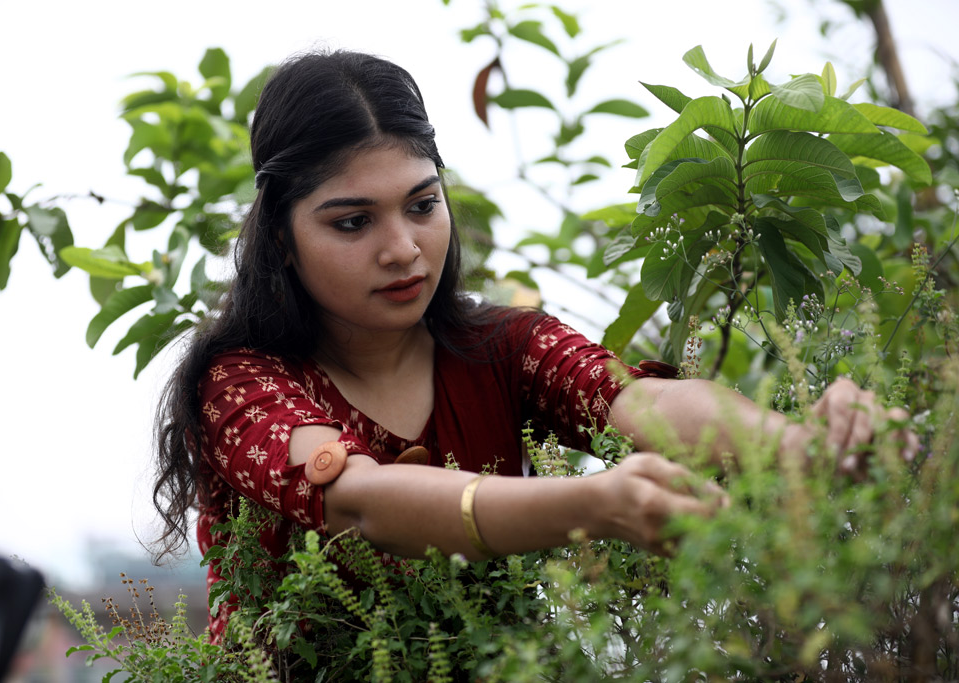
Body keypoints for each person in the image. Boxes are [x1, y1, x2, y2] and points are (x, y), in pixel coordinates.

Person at [152, 50, 916, 641]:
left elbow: (636, 400)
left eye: (423, 205)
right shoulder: (242, 382)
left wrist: (794, 440)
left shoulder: (500, 345)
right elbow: (362, 500)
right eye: (353, 222)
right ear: (282, 239)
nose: (403, 248)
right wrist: (593, 503)